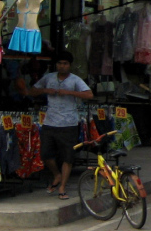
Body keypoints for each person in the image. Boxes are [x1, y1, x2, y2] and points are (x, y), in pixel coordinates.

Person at [21, 51, 93, 200]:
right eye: (60, 63)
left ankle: (62, 187)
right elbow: (31, 91)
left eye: (65, 64)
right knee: (45, 154)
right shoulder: (48, 78)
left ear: (70, 65)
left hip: (69, 123)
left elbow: (89, 94)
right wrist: (45, 90)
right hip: (50, 122)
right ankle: (57, 175)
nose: (62, 66)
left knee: (68, 157)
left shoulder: (75, 80)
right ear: (56, 65)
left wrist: (69, 92)